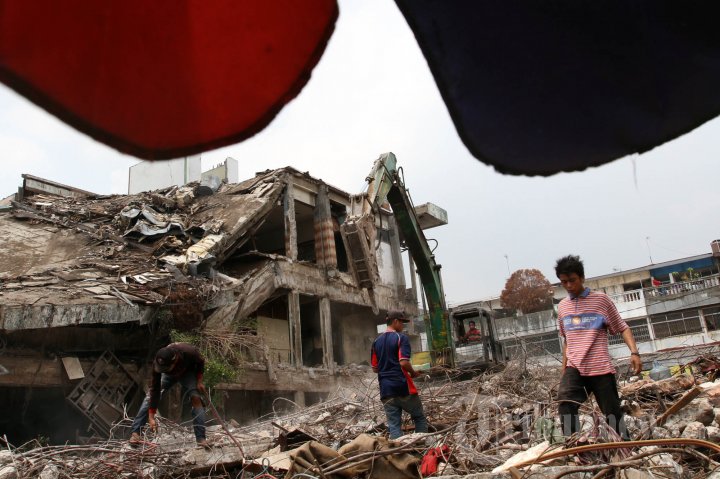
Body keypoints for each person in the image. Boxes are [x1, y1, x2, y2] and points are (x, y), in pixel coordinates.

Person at [555, 255, 642, 440]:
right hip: (575, 367)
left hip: (600, 367)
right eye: (564, 282)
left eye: (572, 280)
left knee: (612, 413)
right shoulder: (562, 307)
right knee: (565, 401)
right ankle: (573, 445)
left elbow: (622, 327)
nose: (569, 285)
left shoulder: (601, 300)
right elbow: (567, 340)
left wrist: (634, 352)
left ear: (582, 278)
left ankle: (624, 446)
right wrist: (564, 371)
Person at [130, 342, 208, 447]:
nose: (163, 370)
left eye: (166, 368)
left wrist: (199, 381)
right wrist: (151, 416)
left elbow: (201, 362)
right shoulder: (159, 363)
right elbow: (155, 390)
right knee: (149, 397)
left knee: (196, 398)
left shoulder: (189, 351)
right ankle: (135, 433)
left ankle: (201, 438)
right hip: (169, 377)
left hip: (187, 373)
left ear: (174, 361)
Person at [371, 310, 428, 439]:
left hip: (386, 390)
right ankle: (422, 445)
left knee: (394, 425)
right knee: (419, 417)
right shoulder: (401, 338)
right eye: (402, 322)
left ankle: (399, 449)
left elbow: (375, 368)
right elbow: (403, 362)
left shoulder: (376, 342)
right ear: (395, 321)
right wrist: (413, 373)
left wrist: (386, 367)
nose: (403, 325)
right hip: (403, 387)